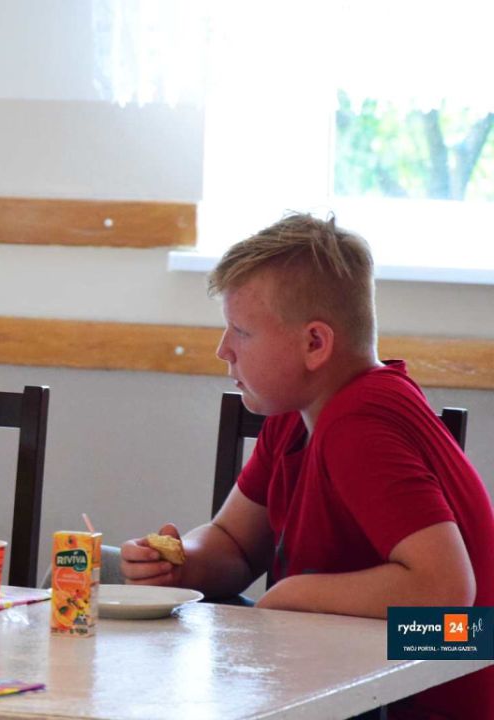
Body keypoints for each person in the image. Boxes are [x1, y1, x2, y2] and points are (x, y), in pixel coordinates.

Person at [120, 213, 494, 720]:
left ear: (315, 343)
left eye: (241, 332)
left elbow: (447, 593)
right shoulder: (296, 411)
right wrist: (182, 563)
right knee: (93, 579)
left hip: (449, 661)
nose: (222, 350)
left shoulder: (360, 422)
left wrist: (297, 594)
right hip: (360, 661)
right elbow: (233, 542)